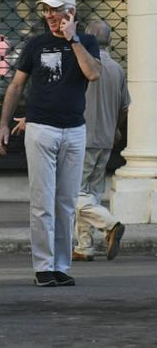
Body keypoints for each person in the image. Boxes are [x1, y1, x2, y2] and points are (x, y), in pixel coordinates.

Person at [0, 0, 101, 287]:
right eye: (46, 10)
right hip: (41, 128)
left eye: (55, 10)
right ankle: (43, 266)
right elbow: (16, 86)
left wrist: (73, 40)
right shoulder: (36, 44)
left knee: (66, 202)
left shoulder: (87, 42)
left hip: (74, 130)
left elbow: (93, 74)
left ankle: (60, 266)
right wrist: (3, 124)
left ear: (71, 12)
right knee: (43, 201)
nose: (50, 16)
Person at [73, 20, 130, 262]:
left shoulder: (82, 65)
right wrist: (114, 128)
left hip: (82, 137)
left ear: (87, 39)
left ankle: (110, 224)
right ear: (110, 40)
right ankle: (84, 247)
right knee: (91, 194)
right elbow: (124, 107)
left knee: (72, 194)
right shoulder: (117, 69)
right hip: (106, 139)